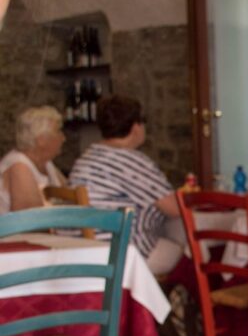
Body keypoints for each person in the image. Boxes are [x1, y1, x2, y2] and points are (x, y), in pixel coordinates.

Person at [69, 95, 183, 275]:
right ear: (136, 128)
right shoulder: (131, 161)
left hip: (85, 250)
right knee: (186, 246)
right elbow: (175, 208)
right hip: (122, 253)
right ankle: (184, 299)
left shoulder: (86, 158)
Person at [0, 106, 66, 214]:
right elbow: (28, 221)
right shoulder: (19, 166)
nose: (63, 138)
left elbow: (70, 196)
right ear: (41, 139)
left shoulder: (47, 163)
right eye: (58, 132)